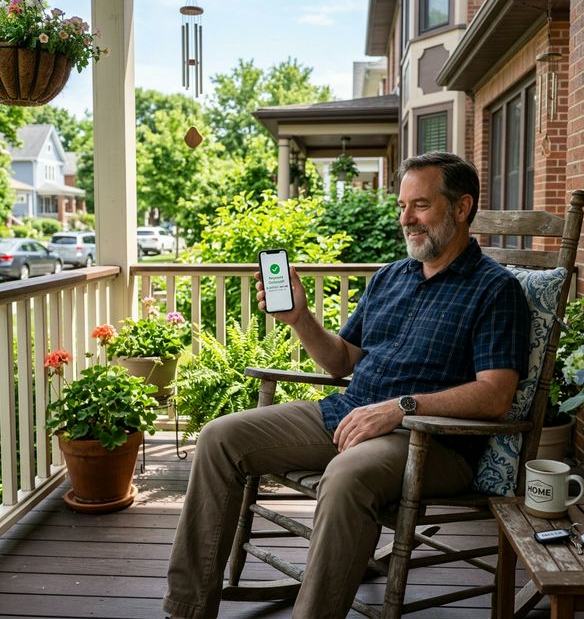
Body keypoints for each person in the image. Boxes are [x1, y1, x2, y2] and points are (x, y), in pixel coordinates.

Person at [163, 151, 530, 619]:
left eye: (419, 205)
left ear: (461, 208)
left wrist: (402, 408)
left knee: (345, 476)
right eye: (401, 206)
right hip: (350, 414)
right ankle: (187, 609)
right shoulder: (391, 277)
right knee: (220, 438)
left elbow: (496, 394)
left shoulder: (495, 289)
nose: (406, 219)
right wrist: (300, 318)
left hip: (428, 441)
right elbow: (340, 361)